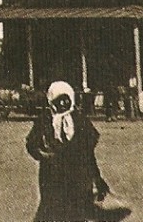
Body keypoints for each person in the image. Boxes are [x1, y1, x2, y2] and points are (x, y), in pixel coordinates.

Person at [26, 81, 110, 222]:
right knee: (52, 211)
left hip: (78, 175)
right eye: (59, 100)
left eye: (66, 99)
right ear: (51, 101)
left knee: (77, 212)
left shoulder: (79, 120)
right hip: (52, 175)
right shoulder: (44, 120)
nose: (63, 104)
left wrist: (97, 178)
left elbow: (89, 152)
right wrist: (42, 154)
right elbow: (31, 144)